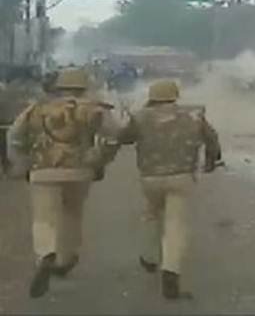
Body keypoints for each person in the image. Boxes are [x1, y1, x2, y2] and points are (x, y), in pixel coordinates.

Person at [7, 67, 121, 298]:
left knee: (43, 217)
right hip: (79, 171)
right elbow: (113, 136)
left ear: (58, 86)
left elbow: (14, 136)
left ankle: (46, 252)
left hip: (43, 170)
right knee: (72, 214)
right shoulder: (96, 109)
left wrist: (21, 161)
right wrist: (99, 159)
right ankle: (66, 258)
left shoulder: (37, 108)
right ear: (83, 86)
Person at [120, 80, 222, 300]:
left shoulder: (141, 116)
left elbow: (124, 138)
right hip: (182, 176)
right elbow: (212, 139)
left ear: (152, 96)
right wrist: (211, 160)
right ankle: (171, 269)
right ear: (175, 95)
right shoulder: (194, 114)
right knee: (175, 223)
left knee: (151, 215)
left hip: (150, 178)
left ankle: (149, 257)